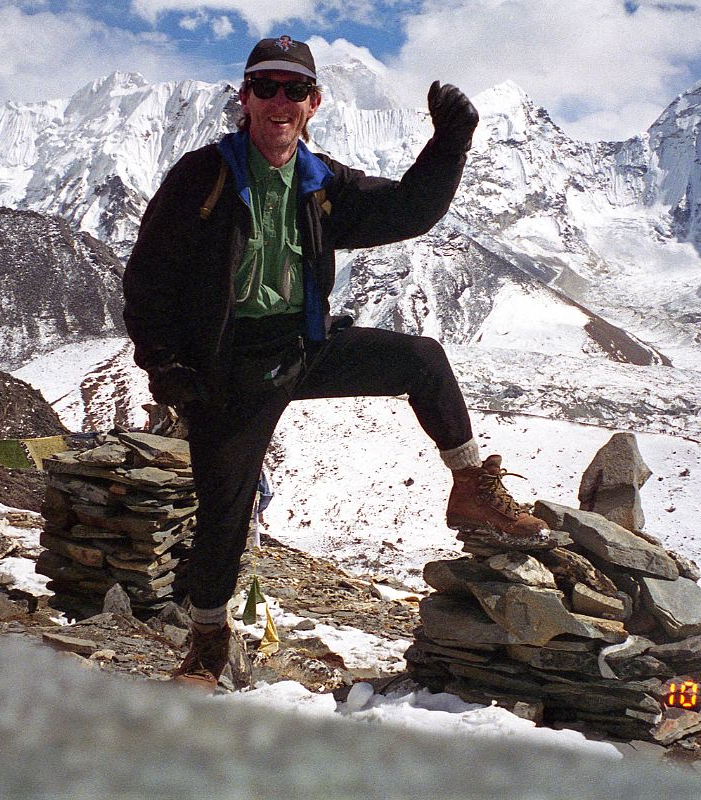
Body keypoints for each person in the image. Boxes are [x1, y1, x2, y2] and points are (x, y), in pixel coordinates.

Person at [123, 35, 549, 690]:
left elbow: (410, 208)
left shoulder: (323, 184)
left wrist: (451, 142)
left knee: (421, 359)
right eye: (265, 86)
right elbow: (148, 280)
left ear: (313, 104)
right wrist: (167, 369)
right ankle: (208, 641)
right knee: (224, 512)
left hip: (304, 346)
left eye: (294, 89)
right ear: (243, 98)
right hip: (227, 367)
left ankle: (470, 488)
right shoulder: (200, 179)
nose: (279, 100)